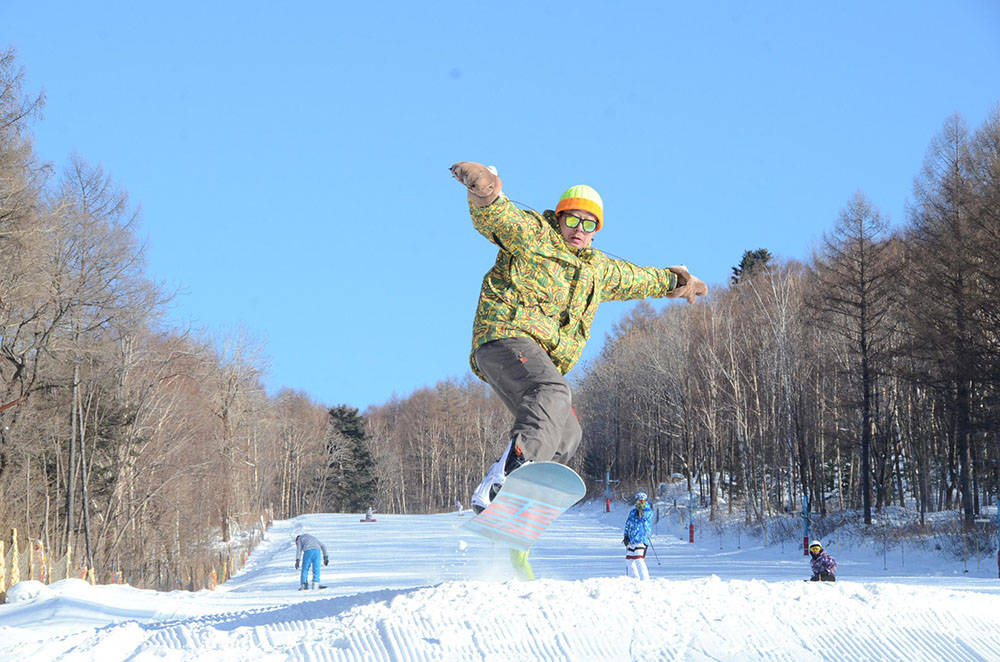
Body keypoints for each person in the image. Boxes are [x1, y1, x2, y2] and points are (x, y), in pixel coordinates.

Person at [450, 162, 708, 513]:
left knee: (567, 435)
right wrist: (486, 190)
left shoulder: (598, 270)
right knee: (554, 391)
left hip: (535, 360)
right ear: (559, 218)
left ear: (596, 231)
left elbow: (639, 278)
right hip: (505, 338)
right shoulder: (534, 234)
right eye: (572, 219)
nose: (579, 229)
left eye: (589, 224)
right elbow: (498, 217)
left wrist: (678, 282)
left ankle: (515, 513)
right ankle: (505, 478)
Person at [623, 491, 653, 580]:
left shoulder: (648, 511)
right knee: (629, 559)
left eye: (642, 501)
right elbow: (628, 524)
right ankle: (634, 578)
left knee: (638, 558)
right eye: (638, 501)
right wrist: (626, 536)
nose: (640, 503)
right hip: (632, 539)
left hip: (641, 538)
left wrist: (641, 512)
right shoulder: (632, 512)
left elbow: (645, 518)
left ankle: (645, 579)